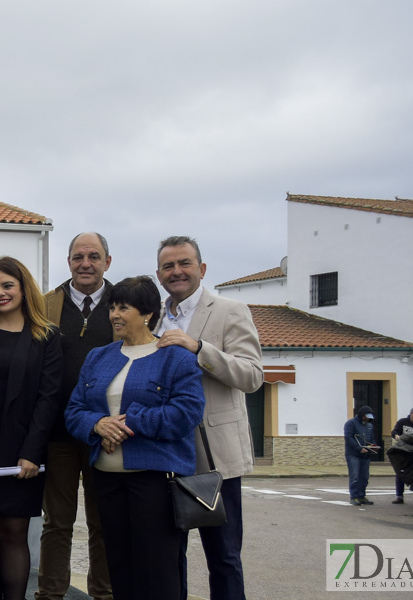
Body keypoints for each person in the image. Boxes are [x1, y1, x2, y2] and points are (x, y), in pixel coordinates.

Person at [64, 276, 206, 600]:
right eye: (112, 307)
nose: (114, 314)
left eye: (123, 307)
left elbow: (186, 413)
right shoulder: (98, 357)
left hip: (156, 482)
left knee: (157, 572)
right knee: (119, 569)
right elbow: (74, 411)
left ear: (147, 313)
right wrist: (98, 424)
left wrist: (128, 423)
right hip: (107, 482)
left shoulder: (175, 357)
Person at [154, 235, 263, 600]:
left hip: (216, 458)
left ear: (201, 269)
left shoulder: (231, 311)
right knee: (170, 557)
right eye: (168, 266)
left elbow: (251, 376)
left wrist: (199, 348)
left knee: (224, 556)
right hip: (166, 454)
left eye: (184, 263)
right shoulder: (153, 317)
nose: (177, 271)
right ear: (159, 274)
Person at [0, 257, 62, 600]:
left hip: (20, 451)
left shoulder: (45, 336)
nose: (0, 293)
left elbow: (48, 399)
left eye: (8, 285)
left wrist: (31, 454)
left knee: (12, 531)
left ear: (23, 288)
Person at [37, 232, 115, 600]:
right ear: (68, 261)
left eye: (94, 256)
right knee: (56, 524)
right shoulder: (44, 305)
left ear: (107, 262)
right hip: (58, 437)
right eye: (78, 257)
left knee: (104, 524)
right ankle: (50, 595)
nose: (86, 263)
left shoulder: (124, 302)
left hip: (108, 437)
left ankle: (104, 594)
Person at [344, 406, 378, 506]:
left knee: (364, 476)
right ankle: (354, 497)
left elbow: (371, 439)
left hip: (365, 455)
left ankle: (361, 496)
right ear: (362, 415)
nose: (368, 419)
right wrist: (358, 448)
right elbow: (348, 437)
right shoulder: (350, 423)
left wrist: (374, 446)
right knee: (355, 476)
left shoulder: (369, 426)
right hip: (353, 454)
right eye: (366, 417)